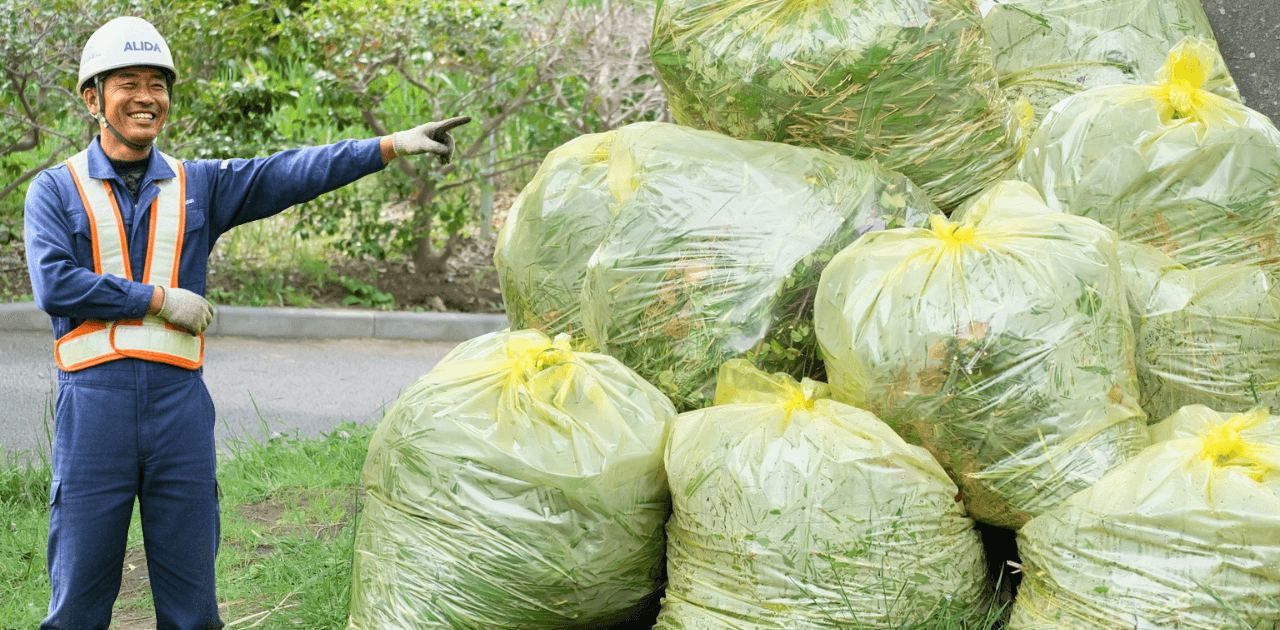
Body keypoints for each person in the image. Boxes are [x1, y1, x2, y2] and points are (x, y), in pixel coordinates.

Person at [23, 15, 470, 630]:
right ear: (92, 99)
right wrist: (157, 300)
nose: (146, 97)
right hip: (92, 406)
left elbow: (288, 172)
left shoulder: (196, 184)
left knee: (192, 603)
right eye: (127, 82)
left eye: (158, 84)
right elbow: (53, 283)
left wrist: (390, 145)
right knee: (78, 599)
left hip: (178, 407)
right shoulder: (55, 189)